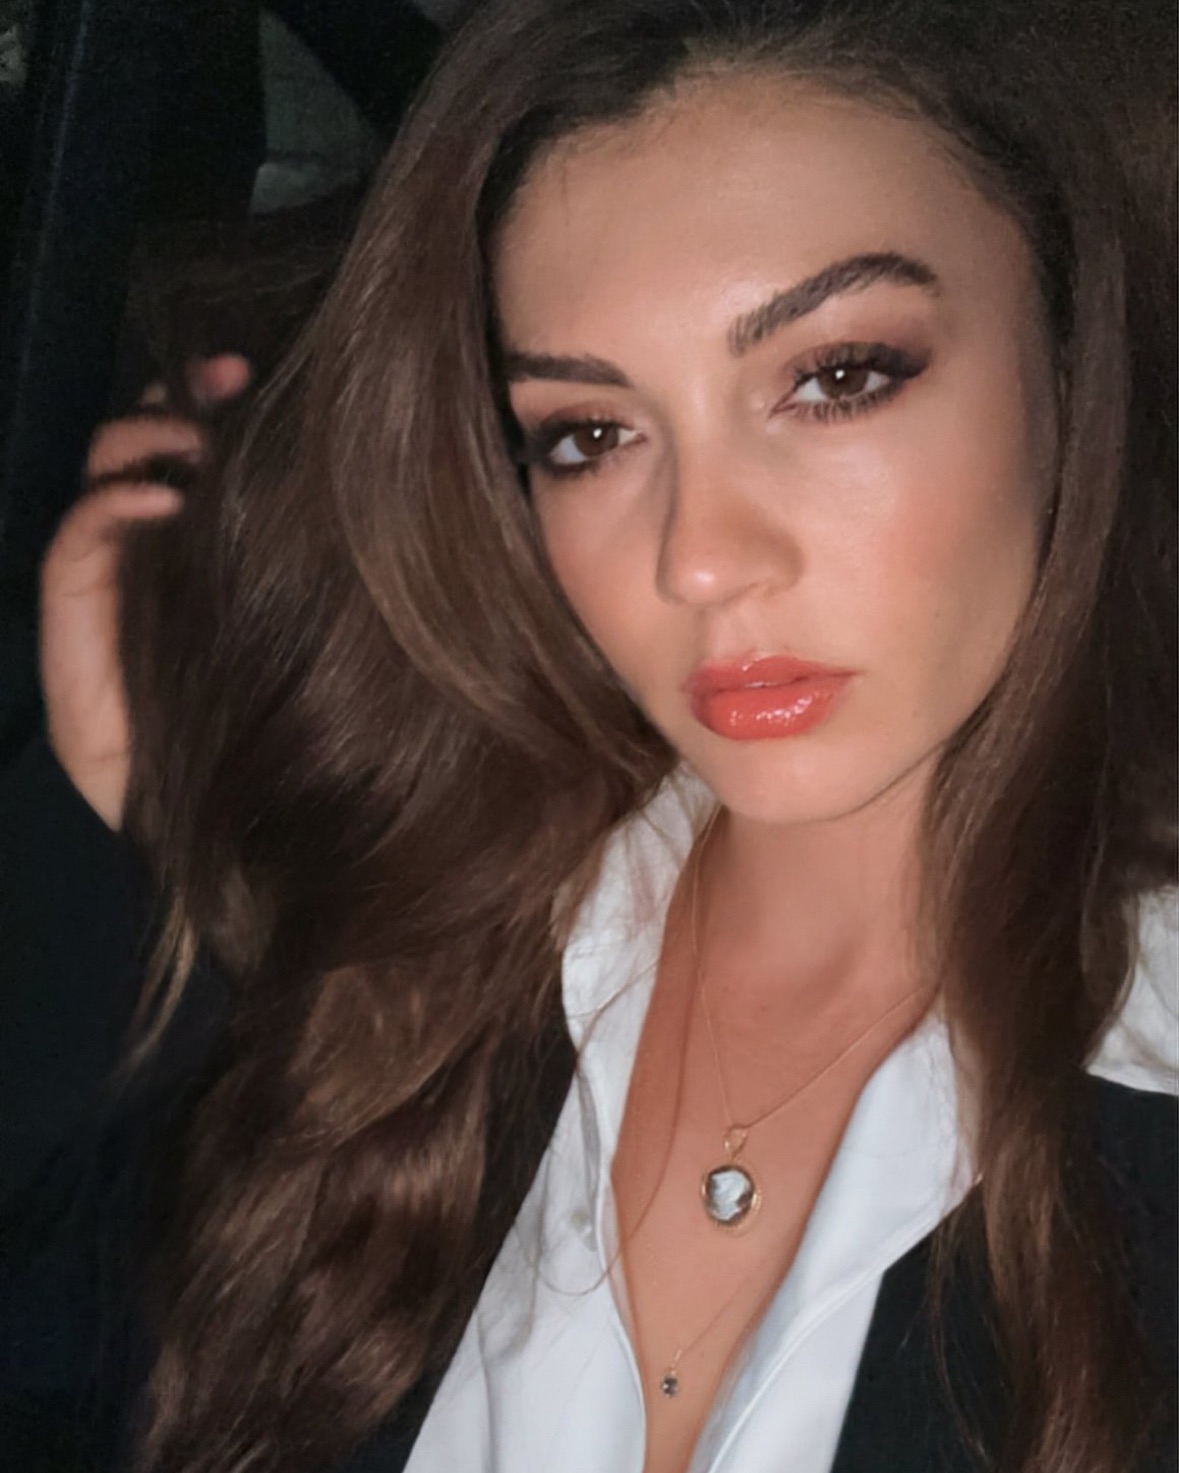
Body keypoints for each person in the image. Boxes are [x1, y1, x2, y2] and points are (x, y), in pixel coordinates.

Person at [5, 1, 1176, 1471]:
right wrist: (106, 827)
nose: (700, 559)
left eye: (836, 376)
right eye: (590, 435)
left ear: (1068, 356)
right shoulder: (412, 951)